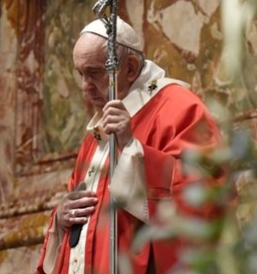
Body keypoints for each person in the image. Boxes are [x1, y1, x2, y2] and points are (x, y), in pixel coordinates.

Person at [37, 18, 227, 274]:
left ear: (129, 68)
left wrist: (131, 148)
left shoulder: (177, 107)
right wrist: (61, 219)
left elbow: (208, 194)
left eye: (93, 73)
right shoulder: (96, 133)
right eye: (80, 74)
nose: (85, 87)